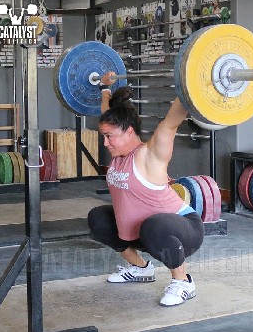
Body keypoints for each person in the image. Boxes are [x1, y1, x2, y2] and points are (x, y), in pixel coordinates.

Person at [88, 72, 205, 307]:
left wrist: (194, 80)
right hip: (144, 231)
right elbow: (107, 115)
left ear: (129, 131)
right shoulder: (117, 148)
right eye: (104, 136)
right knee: (98, 218)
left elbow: (171, 122)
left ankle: (183, 282)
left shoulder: (149, 154)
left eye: (109, 137)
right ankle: (140, 268)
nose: (105, 143)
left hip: (182, 230)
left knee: (154, 225)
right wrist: (104, 87)